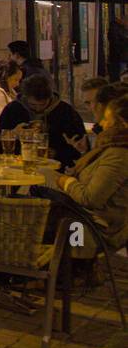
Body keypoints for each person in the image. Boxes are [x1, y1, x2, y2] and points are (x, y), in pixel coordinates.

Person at [52, 93, 128, 249]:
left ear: (122, 124)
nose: (102, 123)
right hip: (82, 218)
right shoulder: (110, 148)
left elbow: (90, 198)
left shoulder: (119, 155)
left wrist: (67, 182)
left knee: (30, 217)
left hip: (93, 229)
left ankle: (66, 267)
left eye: (107, 119)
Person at [0, 73, 86, 170]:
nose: (38, 109)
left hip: (56, 169)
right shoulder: (13, 109)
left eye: (42, 104)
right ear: (25, 98)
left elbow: (80, 148)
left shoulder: (65, 112)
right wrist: (13, 134)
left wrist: (56, 153)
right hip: (17, 167)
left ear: (50, 98)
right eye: (33, 105)